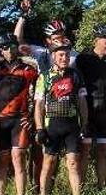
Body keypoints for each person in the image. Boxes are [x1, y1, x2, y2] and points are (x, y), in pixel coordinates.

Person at [0, 33, 39, 195]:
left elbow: (39, 95)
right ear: (1, 50)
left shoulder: (29, 69)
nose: (10, 50)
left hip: (19, 121)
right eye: (5, 47)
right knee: (3, 161)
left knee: (19, 158)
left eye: (13, 45)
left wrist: (33, 117)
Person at [33, 41, 89, 195]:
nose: (65, 58)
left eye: (67, 55)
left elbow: (82, 101)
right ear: (53, 56)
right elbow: (39, 105)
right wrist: (39, 128)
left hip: (72, 125)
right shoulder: (44, 77)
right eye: (61, 55)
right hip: (52, 125)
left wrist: (85, 123)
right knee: (48, 163)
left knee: (73, 163)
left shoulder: (76, 75)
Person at [75, 24, 106, 189]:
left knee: (104, 150)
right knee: (85, 150)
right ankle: (81, 186)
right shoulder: (83, 59)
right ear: (96, 41)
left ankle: (101, 186)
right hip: (88, 109)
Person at [13, 0, 77, 73]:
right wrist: (23, 15)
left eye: (62, 37)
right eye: (56, 38)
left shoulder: (74, 55)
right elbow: (17, 40)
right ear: (48, 40)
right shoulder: (41, 52)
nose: (60, 41)